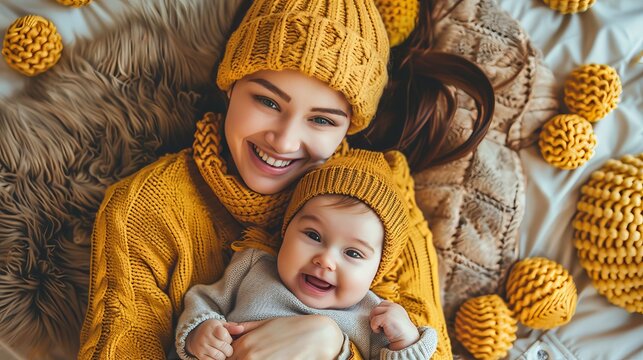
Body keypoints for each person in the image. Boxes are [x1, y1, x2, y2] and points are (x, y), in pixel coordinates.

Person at [78, 0, 495, 359]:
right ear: (230, 86)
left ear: (348, 128)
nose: (284, 140)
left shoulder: (384, 205)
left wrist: (330, 344)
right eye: (267, 100)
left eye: (321, 120)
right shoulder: (148, 206)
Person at [174, 149, 437, 360]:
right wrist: (200, 331)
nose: (325, 260)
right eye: (313, 236)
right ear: (285, 231)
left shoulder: (372, 316)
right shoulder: (254, 266)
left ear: (377, 270)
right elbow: (204, 300)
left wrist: (406, 342)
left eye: (353, 253)